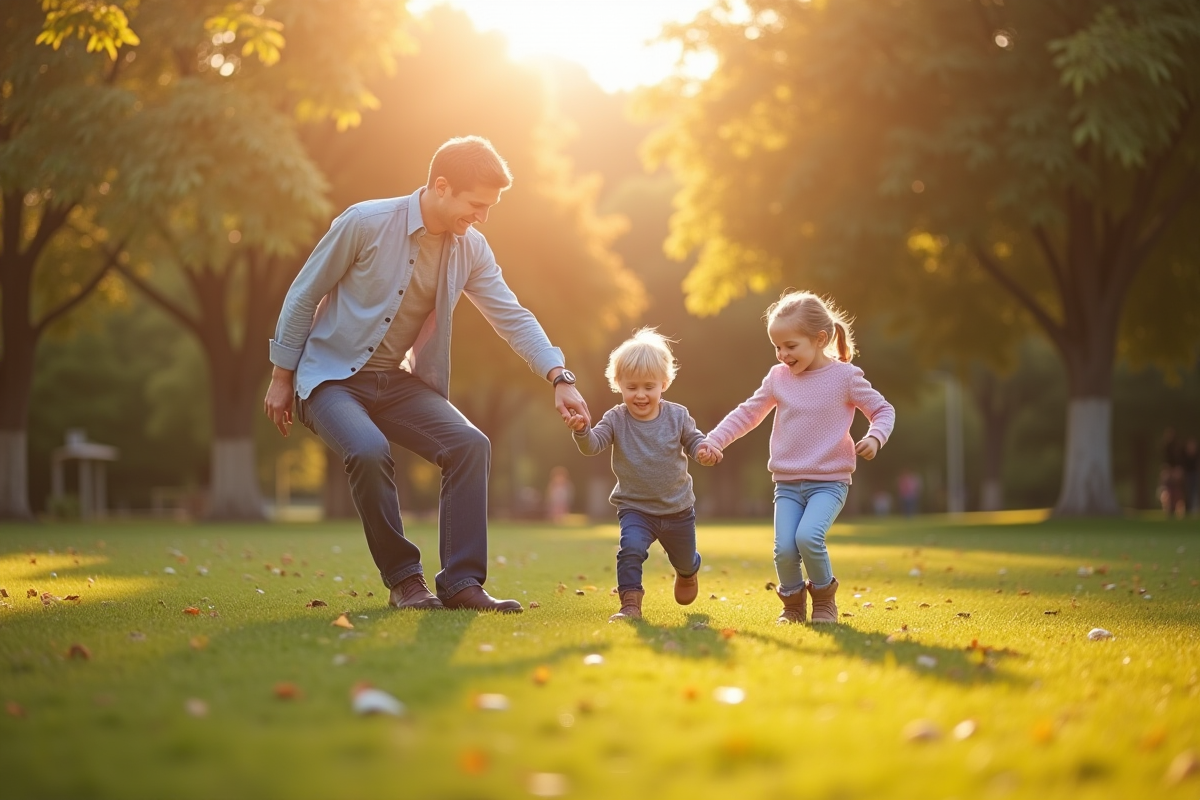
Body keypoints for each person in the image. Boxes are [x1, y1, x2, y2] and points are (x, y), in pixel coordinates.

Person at [263, 136, 589, 614]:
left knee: (469, 444)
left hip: (394, 381)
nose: (482, 216)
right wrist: (280, 376)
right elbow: (303, 294)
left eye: (489, 207)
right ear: (441, 186)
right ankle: (404, 581)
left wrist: (560, 376)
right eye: (476, 204)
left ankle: (460, 583)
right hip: (329, 379)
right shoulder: (364, 223)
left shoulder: (470, 249)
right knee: (369, 450)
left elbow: (512, 316)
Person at [699, 291, 895, 625]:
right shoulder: (778, 378)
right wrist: (715, 440)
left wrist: (875, 437)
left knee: (808, 538)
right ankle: (792, 607)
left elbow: (883, 409)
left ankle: (823, 602)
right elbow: (748, 413)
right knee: (784, 550)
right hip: (787, 484)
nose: (782, 355)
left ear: (820, 339)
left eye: (791, 346)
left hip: (829, 483)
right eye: (777, 347)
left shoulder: (845, 377)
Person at [566, 328, 714, 622]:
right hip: (635, 508)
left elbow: (696, 440)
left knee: (684, 559)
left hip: (677, 509)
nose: (641, 394)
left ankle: (688, 571)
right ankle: (630, 605)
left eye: (649, 386)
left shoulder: (677, 415)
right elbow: (592, 446)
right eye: (632, 387)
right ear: (618, 384)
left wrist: (703, 451)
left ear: (664, 383)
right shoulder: (615, 418)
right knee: (630, 549)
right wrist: (582, 430)